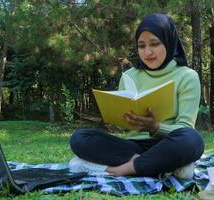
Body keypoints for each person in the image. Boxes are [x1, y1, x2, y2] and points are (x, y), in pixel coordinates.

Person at [69, 13, 204, 178]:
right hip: (132, 148)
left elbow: (185, 127)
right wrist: (121, 118)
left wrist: (155, 127)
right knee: (80, 138)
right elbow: (122, 127)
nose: (147, 52)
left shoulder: (187, 76)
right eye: (141, 46)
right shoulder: (130, 75)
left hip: (169, 143)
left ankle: (122, 169)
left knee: (192, 140)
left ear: (169, 43)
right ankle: (160, 165)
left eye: (154, 44)